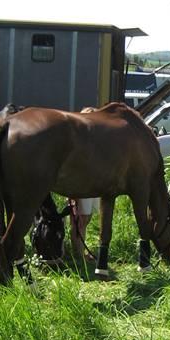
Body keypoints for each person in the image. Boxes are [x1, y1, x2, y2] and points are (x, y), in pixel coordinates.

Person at [70, 107, 98, 260]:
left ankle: (80, 251)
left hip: (94, 183)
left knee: (86, 218)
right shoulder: (78, 139)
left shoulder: (95, 138)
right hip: (83, 183)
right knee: (80, 218)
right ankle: (78, 256)